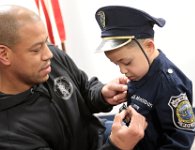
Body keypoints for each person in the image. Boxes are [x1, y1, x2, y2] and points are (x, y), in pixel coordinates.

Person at [0, 4, 148, 150]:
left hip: (101, 135)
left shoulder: (51, 59)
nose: (48, 54)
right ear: (4, 54)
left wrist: (101, 94)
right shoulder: (7, 135)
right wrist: (117, 146)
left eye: (46, 42)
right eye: (36, 49)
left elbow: (85, 88)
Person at [95, 5, 195, 150]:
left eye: (126, 62)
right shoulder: (140, 71)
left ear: (149, 46)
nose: (122, 70)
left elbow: (180, 139)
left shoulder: (169, 84)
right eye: (116, 64)